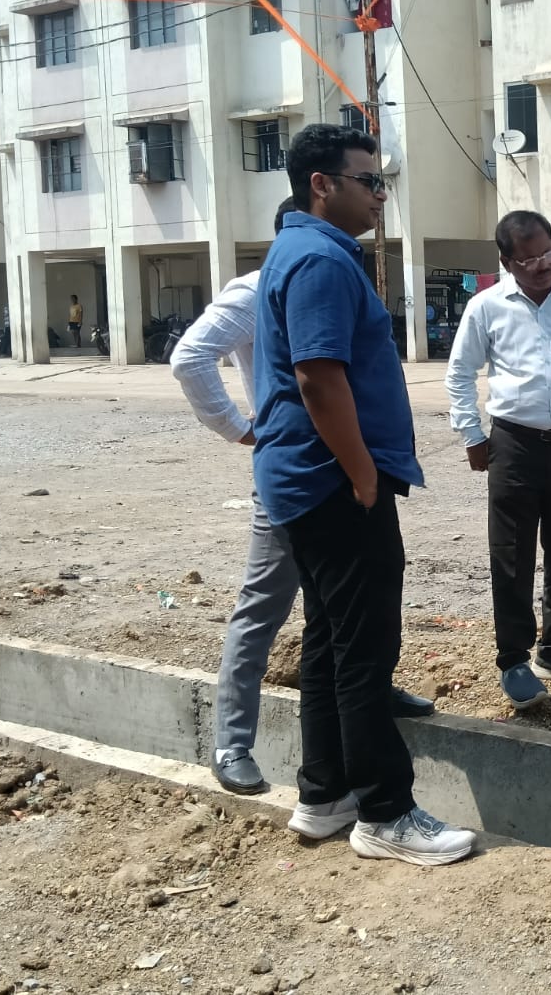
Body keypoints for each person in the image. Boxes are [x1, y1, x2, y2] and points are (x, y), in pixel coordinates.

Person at [253, 123, 473, 865]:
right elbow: (319, 377)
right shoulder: (319, 259)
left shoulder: (302, 250)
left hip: (308, 481)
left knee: (329, 640)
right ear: (322, 184)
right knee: (364, 651)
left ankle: (324, 795)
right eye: (370, 182)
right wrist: (363, 473)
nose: (381, 196)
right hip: (333, 483)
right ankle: (385, 812)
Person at [172, 197, 433, 797]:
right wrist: (239, 428)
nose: (375, 201)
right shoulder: (261, 287)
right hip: (303, 473)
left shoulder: (329, 273)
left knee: (345, 615)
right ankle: (232, 741)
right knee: (266, 604)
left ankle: (369, 701)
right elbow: (190, 357)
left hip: (341, 470)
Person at [444, 210, 551, 711]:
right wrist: (472, 435)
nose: (542, 265)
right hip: (513, 446)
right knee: (512, 554)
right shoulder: (486, 307)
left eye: (548, 253)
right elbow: (460, 373)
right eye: (528, 258)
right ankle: (514, 660)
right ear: (507, 262)